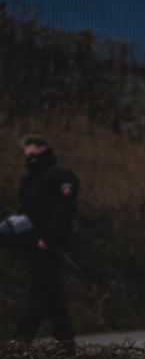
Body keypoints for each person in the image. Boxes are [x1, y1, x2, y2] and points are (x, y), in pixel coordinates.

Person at [13, 135, 78, 346]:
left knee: (40, 294)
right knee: (53, 296)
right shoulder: (28, 180)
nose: (30, 158)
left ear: (43, 150)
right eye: (27, 155)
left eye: (33, 154)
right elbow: (25, 212)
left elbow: (64, 211)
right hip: (32, 243)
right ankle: (66, 346)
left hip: (50, 244)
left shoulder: (62, 176)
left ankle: (21, 341)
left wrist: (48, 238)